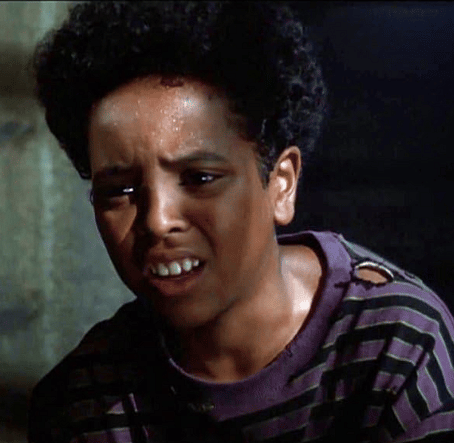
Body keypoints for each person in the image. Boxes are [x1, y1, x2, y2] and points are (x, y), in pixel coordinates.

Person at [28, 2, 454, 442]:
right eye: (119, 190)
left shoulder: (396, 346)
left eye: (200, 178)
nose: (157, 221)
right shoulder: (84, 402)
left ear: (281, 184)